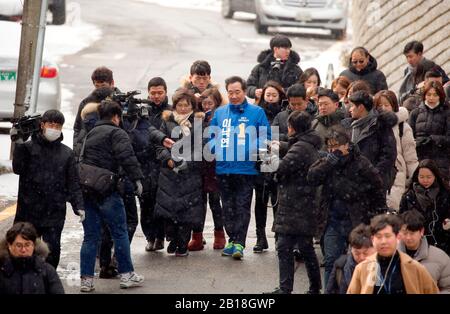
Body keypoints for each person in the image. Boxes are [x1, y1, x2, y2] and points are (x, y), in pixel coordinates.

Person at [307, 125, 386, 286]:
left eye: (336, 146)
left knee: (359, 260)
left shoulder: (361, 162)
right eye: (330, 146)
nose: (332, 150)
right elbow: (312, 177)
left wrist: (375, 214)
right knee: (331, 260)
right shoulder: (327, 161)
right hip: (332, 220)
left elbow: (377, 186)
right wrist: (329, 163)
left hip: (356, 219)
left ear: (346, 145)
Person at [79, 100, 144, 292]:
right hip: (108, 189)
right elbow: (127, 158)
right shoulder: (117, 132)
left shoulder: (91, 132)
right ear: (116, 116)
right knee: (120, 232)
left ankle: (86, 280)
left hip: (87, 189)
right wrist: (138, 179)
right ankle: (127, 274)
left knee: (90, 237)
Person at [11, 109, 84, 269]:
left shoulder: (66, 154)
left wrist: (79, 205)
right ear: (42, 125)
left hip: (54, 210)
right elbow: (17, 168)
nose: (54, 128)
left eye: (58, 126)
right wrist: (19, 143)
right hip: (28, 209)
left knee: (52, 251)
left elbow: (73, 182)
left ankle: (47, 279)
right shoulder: (28, 148)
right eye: (51, 124)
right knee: (24, 249)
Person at [209, 76, 271, 260]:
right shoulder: (220, 113)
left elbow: (265, 135)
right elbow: (211, 136)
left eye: (237, 92)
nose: (234, 95)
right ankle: (231, 239)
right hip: (224, 168)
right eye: (230, 92)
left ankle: (240, 243)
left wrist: (252, 149)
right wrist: (216, 148)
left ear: (244, 92)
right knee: (227, 207)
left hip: (246, 169)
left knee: (242, 206)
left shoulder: (256, 112)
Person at [266, 111, 322, 294]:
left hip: (295, 204)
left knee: (285, 247)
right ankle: (313, 287)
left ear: (293, 127)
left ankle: (286, 288)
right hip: (303, 202)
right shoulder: (307, 143)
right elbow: (292, 149)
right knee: (304, 247)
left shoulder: (301, 148)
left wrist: (270, 155)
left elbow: (281, 167)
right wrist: (278, 145)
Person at [155, 89, 204, 257]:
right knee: (169, 209)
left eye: (186, 105)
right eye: (180, 105)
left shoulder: (198, 122)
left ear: (192, 106)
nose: (183, 108)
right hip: (169, 173)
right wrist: (168, 160)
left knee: (186, 210)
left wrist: (187, 163)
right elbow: (159, 145)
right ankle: (173, 238)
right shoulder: (167, 121)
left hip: (189, 173)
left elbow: (201, 147)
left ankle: (182, 242)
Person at [347, 213, 439, 294]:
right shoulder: (362, 269)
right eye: (378, 237)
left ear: (398, 237)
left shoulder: (415, 268)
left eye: (387, 236)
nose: (383, 241)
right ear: (372, 239)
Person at [188, 88, 226, 251]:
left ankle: (220, 234)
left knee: (215, 202)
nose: (206, 106)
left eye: (210, 103)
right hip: (198, 166)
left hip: (215, 166)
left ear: (216, 102)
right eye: (203, 103)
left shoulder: (220, 117)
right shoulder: (195, 117)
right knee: (198, 203)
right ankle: (197, 235)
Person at [253, 81, 286, 253]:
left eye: (274, 95)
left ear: (280, 96)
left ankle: (279, 237)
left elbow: (287, 134)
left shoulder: (284, 114)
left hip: (278, 161)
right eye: (268, 95)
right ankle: (260, 237)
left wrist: (273, 138)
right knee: (260, 201)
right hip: (259, 160)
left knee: (277, 200)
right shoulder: (257, 112)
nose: (271, 98)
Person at [342, 90, 397, 192]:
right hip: (352, 185)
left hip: (374, 185)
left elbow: (389, 154)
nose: (350, 109)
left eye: (352, 106)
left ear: (361, 107)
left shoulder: (380, 125)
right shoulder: (348, 126)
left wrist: (374, 174)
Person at [374, 90, 418, 211]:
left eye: (386, 105)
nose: (383, 108)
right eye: (379, 105)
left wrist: (415, 179)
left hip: (398, 174)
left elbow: (411, 158)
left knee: (394, 211)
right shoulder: (372, 126)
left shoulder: (402, 127)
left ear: (393, 106)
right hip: (377, 173)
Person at [144, 77, 173, 252]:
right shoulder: (143, 112)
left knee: (164, 201)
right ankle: (150, 237)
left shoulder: (170, 111)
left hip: (164, 161)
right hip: (146, 162)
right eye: (153, 93)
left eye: (160, 93)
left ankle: (162, 235)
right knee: (147, 202)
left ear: (166, 92)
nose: (156, 96)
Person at [399, 159, 450, 255]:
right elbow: (401, 217)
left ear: (435, 176)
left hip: (441, 242)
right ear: (416, 176)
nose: (425, 180)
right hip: (415, 242)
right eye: (421, 177)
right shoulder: (409, 196)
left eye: (429, 177)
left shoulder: (444, 195)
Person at [0, 222, 64, 294]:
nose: (23, 250)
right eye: (19, 245)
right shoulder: (2, 271)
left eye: (27, 245)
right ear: (9, 246)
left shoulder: (47, 271)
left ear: (33, 245)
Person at [398, 210, 450, 293]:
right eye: (405, 233)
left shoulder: (440, 257)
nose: (408, 237)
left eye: (412, 233)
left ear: (421, 231)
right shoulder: (391, 255)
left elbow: (448, 288)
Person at [409, 81, 450, 179]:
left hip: (441, 161)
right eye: (429, 94)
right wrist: (417, 142)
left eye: (435, 95)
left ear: (440, 96)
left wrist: (433, 139)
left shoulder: (447, 113)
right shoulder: (415, 113)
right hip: (420, 159)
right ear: (424, 95)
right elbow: (409, 137)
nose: (431, 98)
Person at [247, 34, 302, 100]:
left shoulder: (295, 69)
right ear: (275, 49)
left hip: (286, 106)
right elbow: (248, 86)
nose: (288, 51)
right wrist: (254, 91)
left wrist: (283, 91)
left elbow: (301, 87)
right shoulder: (261, 68)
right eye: (285, 48)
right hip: (264, 106)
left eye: (289, 48)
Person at [325, 224, 375, 294]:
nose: (361, 257)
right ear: (351, 250)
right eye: (357, 253)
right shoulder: (341, 265)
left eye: (365, 253)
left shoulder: (385, 267)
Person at [73, 66, 119, 142]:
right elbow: (78, 129)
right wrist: (77, 150)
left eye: (103, 86)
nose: (100, 89)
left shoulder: (122, 101)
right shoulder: (86, 103)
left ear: (112, 83)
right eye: (97, 86)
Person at [399, 40, 449, 105]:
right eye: (407, 57)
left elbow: (446, 84)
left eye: (411, 56)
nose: (408, 60)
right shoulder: (407, 71)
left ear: (419, 54)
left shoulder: (432, 67)